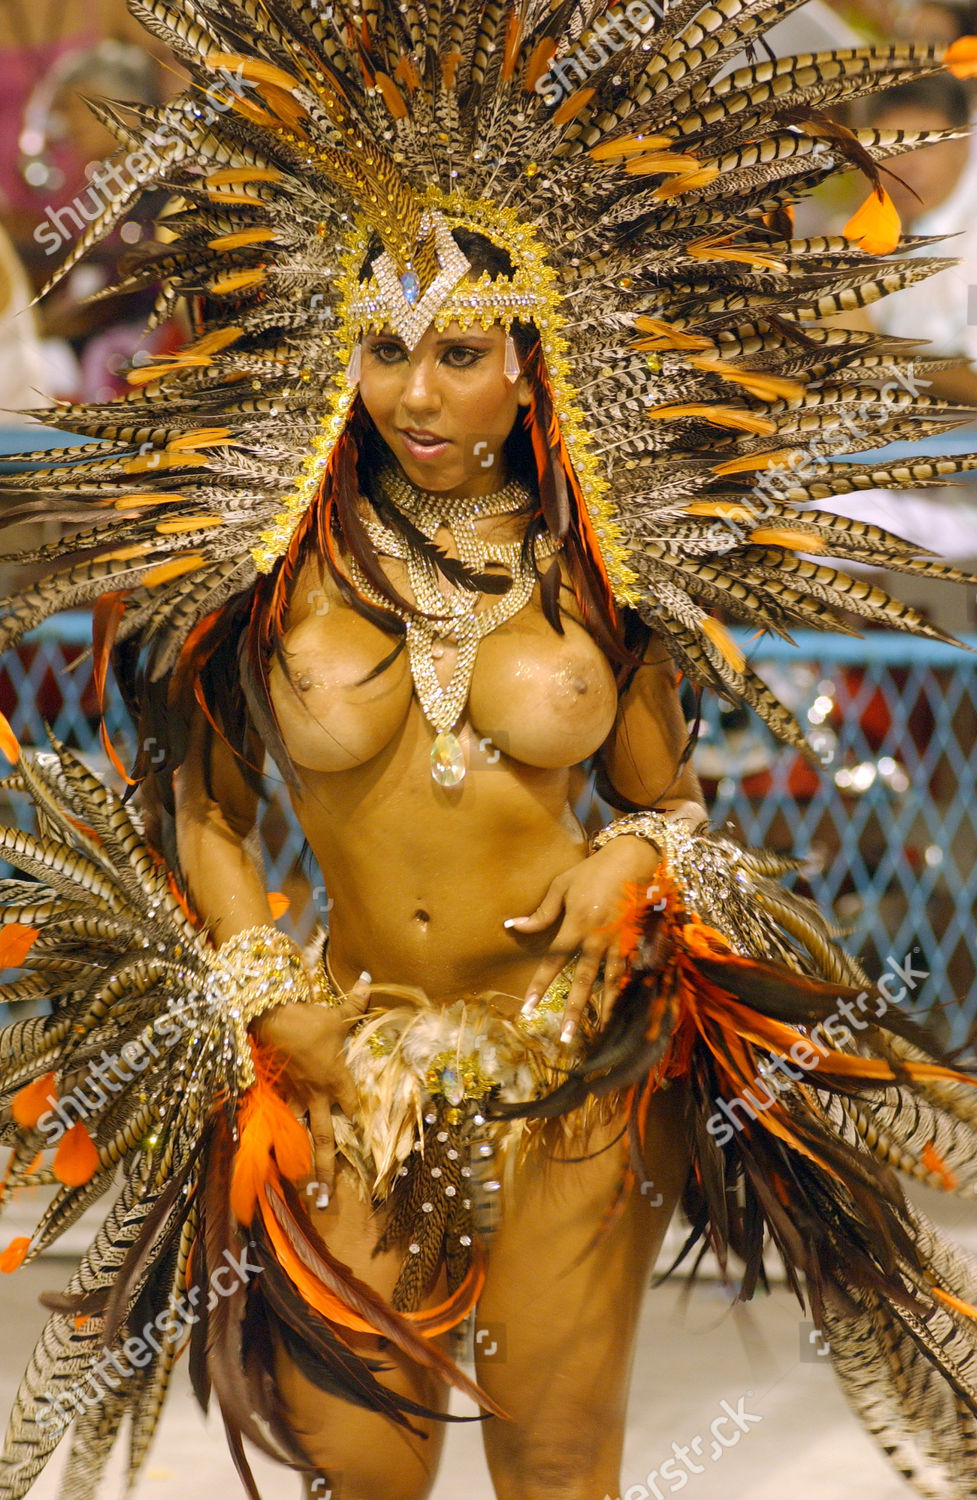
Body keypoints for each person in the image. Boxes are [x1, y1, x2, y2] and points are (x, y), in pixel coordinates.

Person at [3, 7, 977, 1500]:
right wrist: (275, 997)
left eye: (460, 353)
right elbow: (201, 805)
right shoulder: (269, 565)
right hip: (342, 1064)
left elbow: (664, 792)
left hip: (578, 1070)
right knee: (357, 1466)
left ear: (531, 360)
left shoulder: (604, 568)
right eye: (384, 350)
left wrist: (638, 862)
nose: (417, 396)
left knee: (557, 1462)